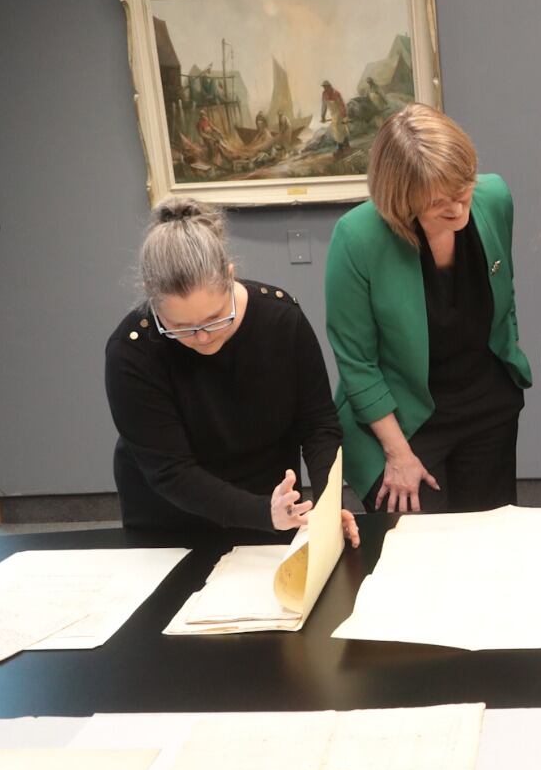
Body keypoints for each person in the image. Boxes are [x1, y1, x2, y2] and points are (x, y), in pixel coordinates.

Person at [104, 197, 357, 545]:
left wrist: (329, 505)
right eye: (180, 327)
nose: (203, 337)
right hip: (171, 520)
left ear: (229, 276)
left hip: (270, 507)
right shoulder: (132, 350)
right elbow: (172, 472)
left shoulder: (280, 321)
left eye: (214, 318)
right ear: (152, 297)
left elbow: (317, 425)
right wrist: (262, 512)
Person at [325, 103, 532, 513]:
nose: (457, 209)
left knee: (489, 546)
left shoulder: (494, 199)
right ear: (401, 200)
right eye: (438, 202)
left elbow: (504, 299)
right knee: (416, 554)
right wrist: (398, 455)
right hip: (403, 420)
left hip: (487, 408)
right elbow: (357, 363)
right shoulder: (357, 238)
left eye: (462, 189)